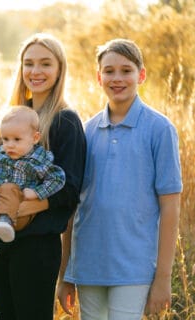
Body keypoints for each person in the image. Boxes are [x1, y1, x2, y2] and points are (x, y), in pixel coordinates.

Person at [57, 38, 182, 320]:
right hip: (88, 264)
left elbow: (171, 206)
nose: (117, 78)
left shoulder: (160, 129)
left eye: (126, 70)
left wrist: (163, 278)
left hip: (133, 266)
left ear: (141, 74)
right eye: (109, 71)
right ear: (98, 76)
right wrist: (65, 272)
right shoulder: (85, 131)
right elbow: (72, 208)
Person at [0, 33, 86, 319]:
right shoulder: (14, 117)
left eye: (45, 64)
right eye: (29, 64)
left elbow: (70, 189)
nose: (35, 71)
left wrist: (23, 207)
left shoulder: (66, 121)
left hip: (36, 245)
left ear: (59, 69)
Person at [0, 105, 65, 269]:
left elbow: (58, 178)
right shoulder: (1, 155)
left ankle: (6, 221)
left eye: (17, 140)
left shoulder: (38, 159)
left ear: (35, 138)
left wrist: (37, 192)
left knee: (7, 187)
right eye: (5, 139)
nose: (10, 145)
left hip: (19, 215)